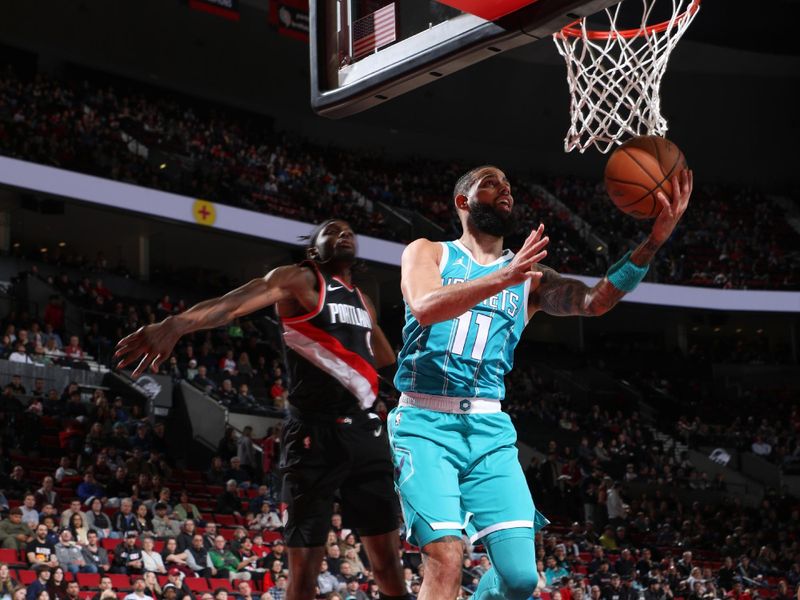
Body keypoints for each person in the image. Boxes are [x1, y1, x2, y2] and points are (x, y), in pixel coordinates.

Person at [390, 165, 692, 600]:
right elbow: (424, 307)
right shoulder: (429, 252)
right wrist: (503, 277)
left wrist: (654, 242)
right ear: (463, 202)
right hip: (423, 422)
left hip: (488, 430)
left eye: (508, 185)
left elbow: (595, 301)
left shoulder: (531, 278)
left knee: (521, 580)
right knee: (446, 559)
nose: (504, 190)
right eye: (490, 183)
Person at [114, 219, 408, 600]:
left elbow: (386, 363)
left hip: (365, 434)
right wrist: (176, 324)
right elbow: (233, 304)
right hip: (312, 436)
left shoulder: (362, 299)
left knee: (388, 567)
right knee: (304, 573)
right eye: (331, 230)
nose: (343, 233)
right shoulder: (299, 280)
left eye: (349, 230)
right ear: (313, 249)